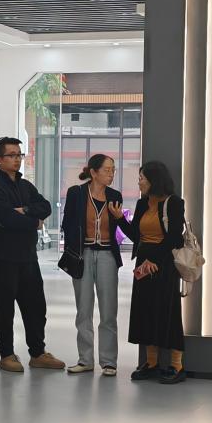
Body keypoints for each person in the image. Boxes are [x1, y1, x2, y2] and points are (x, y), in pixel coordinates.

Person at [0, 136, 63, 373]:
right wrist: (34, 222)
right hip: (5, 257)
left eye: (19, 154)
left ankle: (37, 353)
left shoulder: (25, 186)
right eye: (11, 155)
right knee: (5, 308)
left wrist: (25, 210)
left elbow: (45, 206)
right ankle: (7, 354)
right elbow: (6, 219)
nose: (17, 159)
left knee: (35, 306)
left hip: (28, 256)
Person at [60, 155, 133, 376]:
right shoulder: (76, 193)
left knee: (108, 310)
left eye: (113, 170)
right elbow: (67, 224)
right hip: (82, 254)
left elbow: (122, 228)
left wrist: (119, 218)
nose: (111, 174)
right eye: (107, 170)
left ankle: (109, 361)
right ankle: (85, 360)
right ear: (93, 172)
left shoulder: (114, 195)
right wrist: (73, 250)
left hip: (107, 255)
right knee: (83, 310)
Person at [127, 161, 187, 384]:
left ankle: (176, 366)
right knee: (145, 311)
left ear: (154, 180)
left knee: (168, 313)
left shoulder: (174, 203)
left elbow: (175, 238)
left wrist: (155, 260)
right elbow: (135, 235)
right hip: (143, 264)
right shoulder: (142, 203)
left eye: (142, 178)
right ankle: (151, 363)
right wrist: (119, 218)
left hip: (164, 265)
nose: (139, 182)